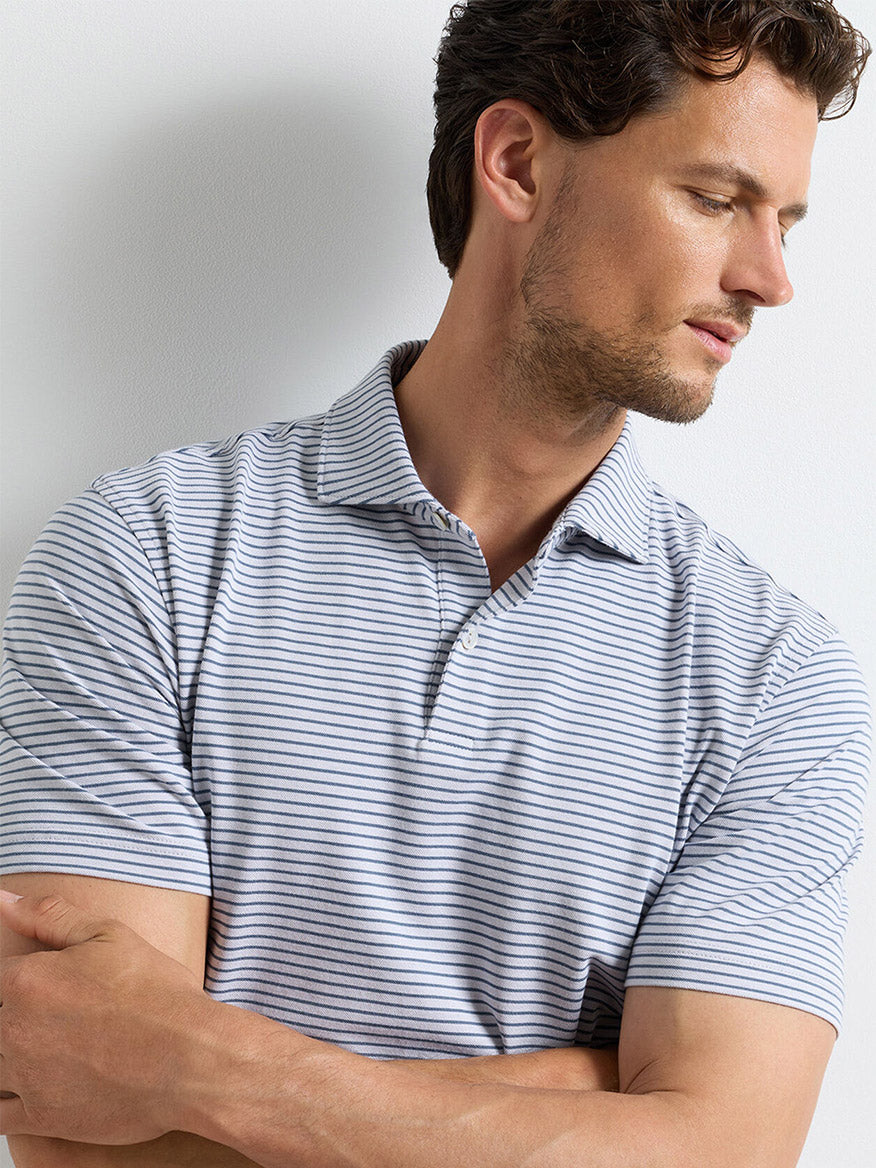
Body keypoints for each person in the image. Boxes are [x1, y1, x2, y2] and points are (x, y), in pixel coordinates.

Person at [0, 1, 872, 1165]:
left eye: (787, 221)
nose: (769, 277)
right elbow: (69, 1108)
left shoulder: (781, 683)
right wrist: (594, 1100)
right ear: (515, 161)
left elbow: (730, 1151)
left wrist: (196, 1066)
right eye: (716, 199)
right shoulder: (148, 554)